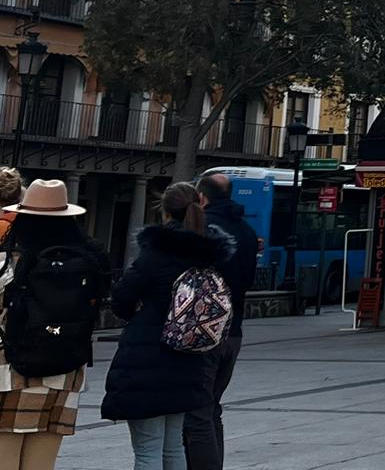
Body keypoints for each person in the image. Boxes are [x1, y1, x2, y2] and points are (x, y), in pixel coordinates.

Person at [102, 183, 235, 470]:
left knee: (148, 450)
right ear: (199, 203)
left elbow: (121, 298)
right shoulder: (210, 255)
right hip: (191, 360)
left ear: (165, 210)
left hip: (148, 356)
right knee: (174, 446)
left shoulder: (155, 254)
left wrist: (138, 314)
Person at [0, 178, 111, 470]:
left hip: (11, 371)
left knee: (5, 457)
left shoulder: (13, 261)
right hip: (66, 370)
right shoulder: (90, 259)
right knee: (42, 462)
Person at [184, 175, 257, 470]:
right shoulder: (248, 231)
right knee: (211, 409)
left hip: (204, 331)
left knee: (197, 412)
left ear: (201, 197)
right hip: (234, 328)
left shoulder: (203, 230)